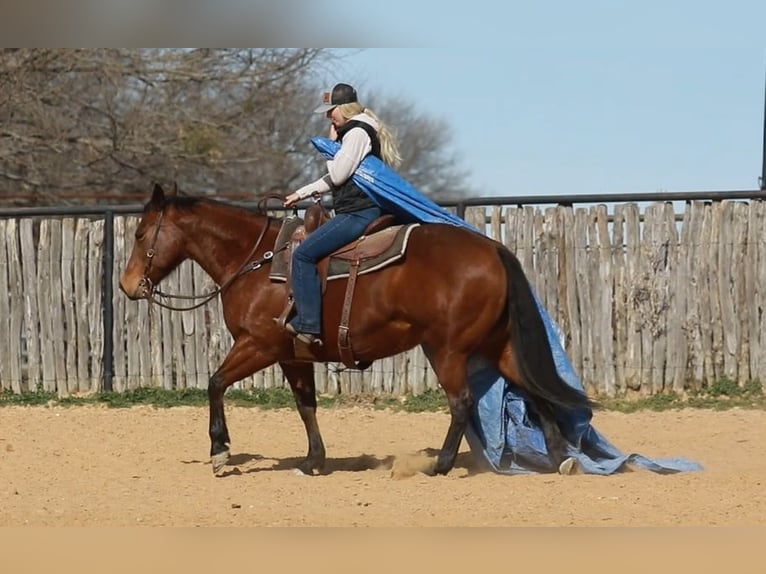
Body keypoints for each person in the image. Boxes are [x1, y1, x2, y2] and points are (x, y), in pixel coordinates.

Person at [281, 83, 402, 346]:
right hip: (357, 209)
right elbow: (335, 178)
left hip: (359, 213)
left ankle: (308, 324)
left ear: (343, 108)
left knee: (303, 255)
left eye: (331, 111)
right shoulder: (356, 130)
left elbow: (337, 174)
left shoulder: (356, 133)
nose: (328, 117)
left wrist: (330, 145)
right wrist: (299, 194)